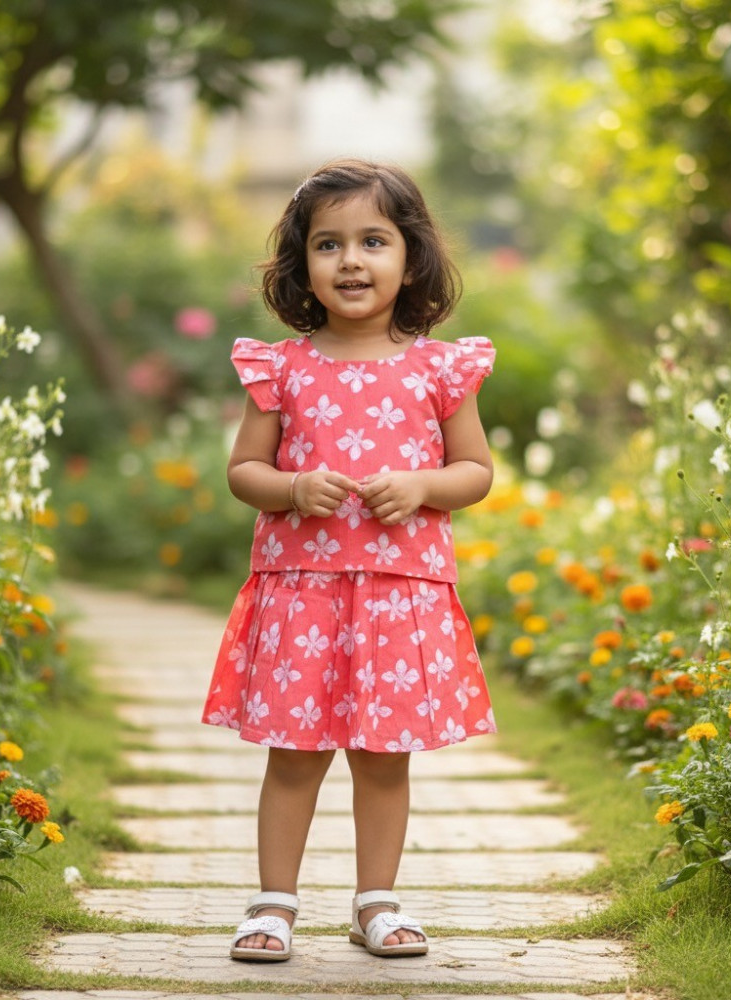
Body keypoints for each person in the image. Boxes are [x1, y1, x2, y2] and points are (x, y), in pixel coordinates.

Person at [201, 158, 496, 962]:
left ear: (412, 257)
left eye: (373, 240)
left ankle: (378, 903)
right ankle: (272, 905)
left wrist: (424, 483)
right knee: (294, 757)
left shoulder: (439, 368)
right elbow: (243, 473)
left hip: (399, 595)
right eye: (328, 245)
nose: (352, 261)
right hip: (303, 594)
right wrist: (293, 489)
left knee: (381, 760)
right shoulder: (284, 368)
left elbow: (476, 471)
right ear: (303, 266)